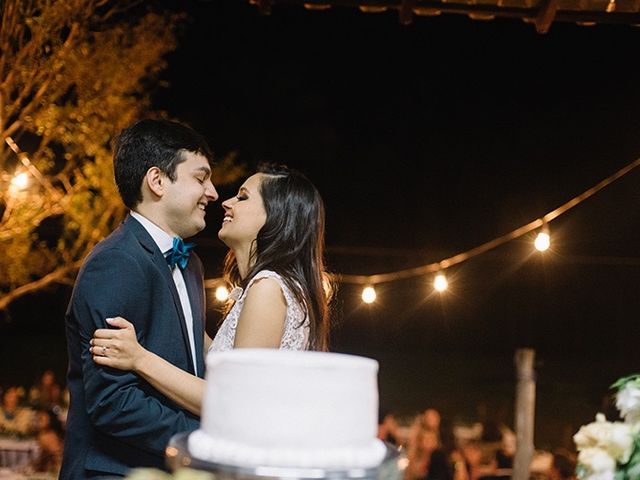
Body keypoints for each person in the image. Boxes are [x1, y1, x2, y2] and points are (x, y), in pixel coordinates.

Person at [90, 163, 330, 417]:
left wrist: (139, 359)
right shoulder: (274, 286)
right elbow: (225, 355)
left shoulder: (268, 287)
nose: (226, 202)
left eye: (243, 197)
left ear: (276, 216)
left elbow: (231, 400)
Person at [60, 119, 218, 479]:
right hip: (114, 471)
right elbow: (113, 403)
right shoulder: (115, 262)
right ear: (158, 181)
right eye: (200, 177)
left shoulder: (191, 264)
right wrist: (204, 440)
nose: (212, 192)